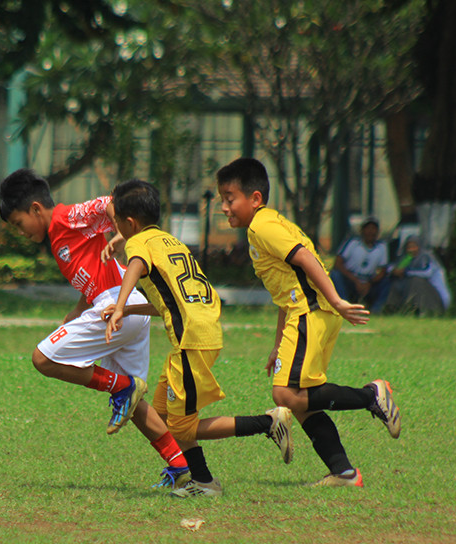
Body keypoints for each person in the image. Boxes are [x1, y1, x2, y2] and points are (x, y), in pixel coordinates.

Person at [0, 168, 191, 489]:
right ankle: (180, 468)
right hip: (124, 310)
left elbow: (108, 203)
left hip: (115, 308)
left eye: (19, 223)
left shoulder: (63, 218)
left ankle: (121, 385)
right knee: (135, 406)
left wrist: (122, 234)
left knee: (42, 359)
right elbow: (91, 269)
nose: (20, 231)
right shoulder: (61, 235)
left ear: (35, 208)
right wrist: (77, 309)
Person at [215, 157, 401, 487]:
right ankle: (343, 472)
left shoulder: (262, 226)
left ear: (255, 198)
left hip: (310, 314)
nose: (225, 207)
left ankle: (371, 395)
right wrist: (277, 345)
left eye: (230, 199)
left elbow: (305, 257)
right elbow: (286, 288)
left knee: (284, 395)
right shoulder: (267, 224)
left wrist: (338, 300)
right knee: (301, 401)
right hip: (307, 315)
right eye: (223, 200)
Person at [104, 178, 294, 498]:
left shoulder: (138, 245)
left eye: (116, 224)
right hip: (197, 334)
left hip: (191, 340)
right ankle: (200, 479)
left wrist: (121, 305)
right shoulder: (170, 242)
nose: (115, 230)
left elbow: (135, 264)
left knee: (182, 428)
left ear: (130, 223)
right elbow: (170, 300)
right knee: (163, 415)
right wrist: (130, 306)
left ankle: (264, 426)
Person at [328, 216, 391, 311]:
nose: (370, 232)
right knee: (335, 275)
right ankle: (344, 306)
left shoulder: (382, 247)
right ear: (362, 230)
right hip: (351, 279)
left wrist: (369, 283)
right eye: (368, 228)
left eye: (373, 229)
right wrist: (355, 280)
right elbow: (338, 263)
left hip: (369, 281)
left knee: (387, 280)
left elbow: (383, 271)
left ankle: (377, 309)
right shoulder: (352, 243)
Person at [383, 236, 452, 315]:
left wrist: (406, 272)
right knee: (396, 282)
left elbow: (427, 273)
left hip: (435, 296)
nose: (411, 250)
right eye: (409, 247)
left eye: (414, 247)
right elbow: (392, 267)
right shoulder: (406, 258)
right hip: (412, 288)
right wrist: (394, 270)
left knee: (415, 280)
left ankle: (422, 310)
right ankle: (393, 308)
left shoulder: (427, 257)